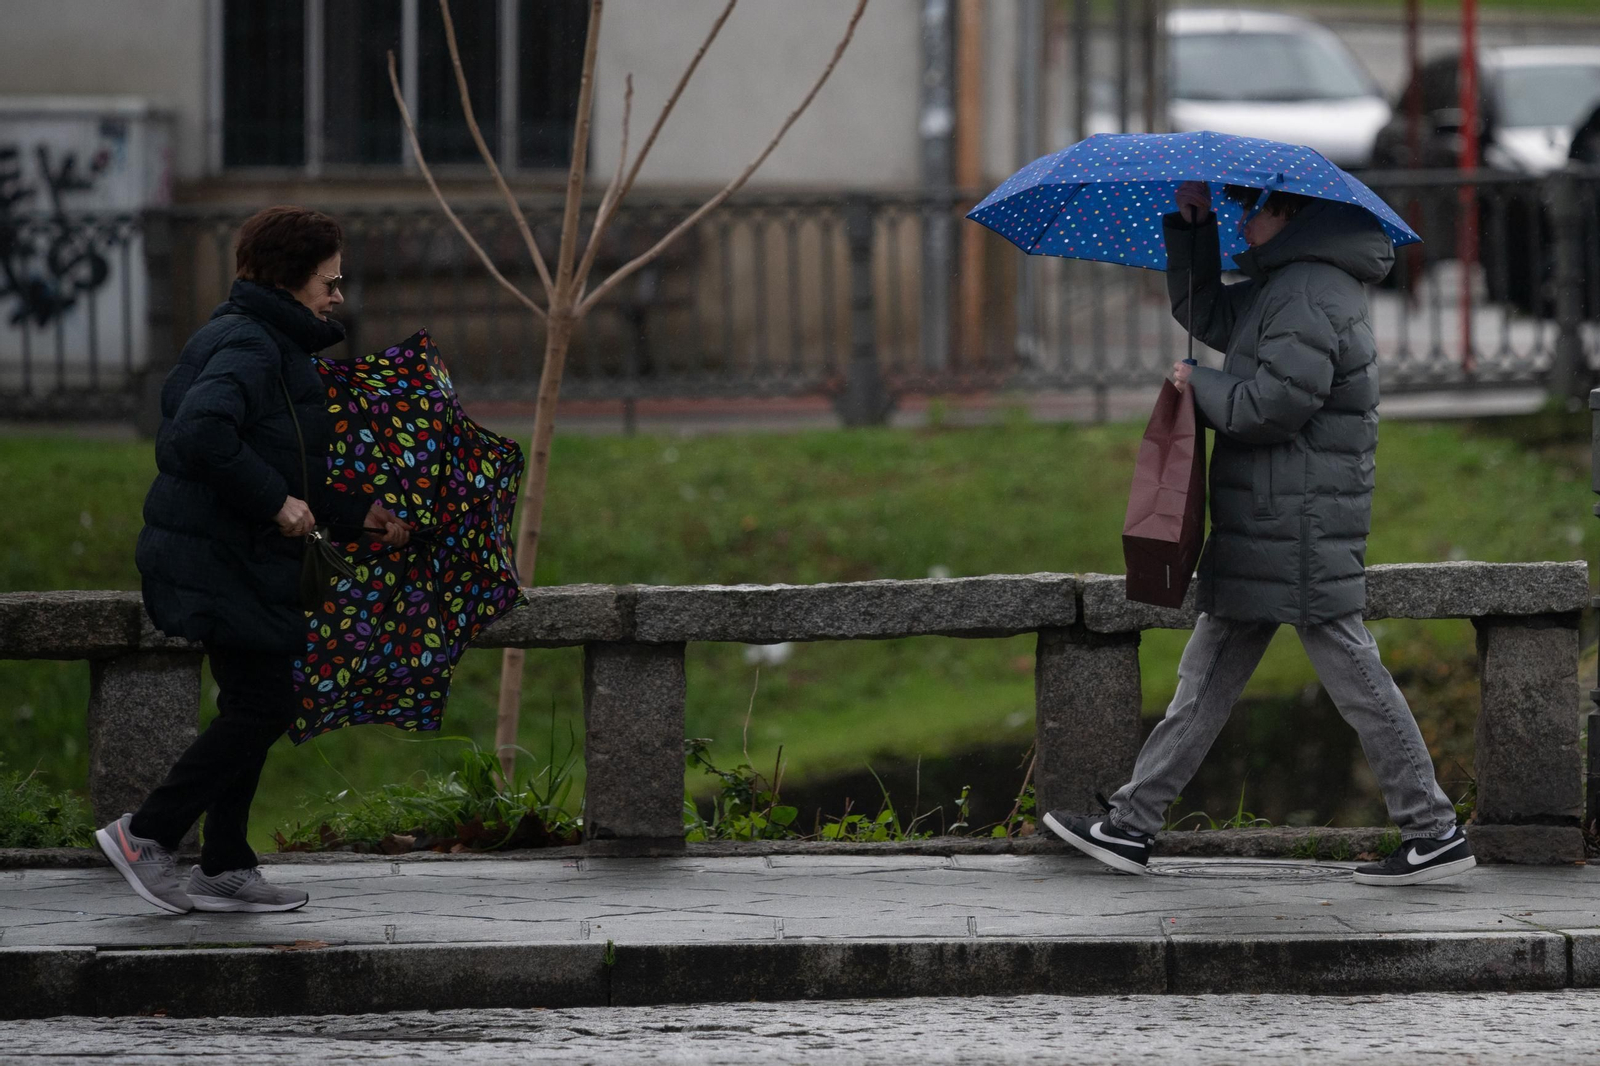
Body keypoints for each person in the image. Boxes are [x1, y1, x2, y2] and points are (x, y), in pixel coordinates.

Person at [1043, 181, 1475, 887]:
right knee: (1205, 679)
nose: (1248, 217)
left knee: (1354, 677)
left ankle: (1433, 830)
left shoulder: (1310, 293)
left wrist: (1196, 384)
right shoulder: (1289, 287)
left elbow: (1270, 407)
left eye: (1258, 208)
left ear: (1298, 218)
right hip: (1270, 521)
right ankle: (1131, 825)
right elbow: (1207, 310)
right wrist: (1195, 228)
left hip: (1296, 525)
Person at [95, 206, 412, 914]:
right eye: (328, 281)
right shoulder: (250, 345)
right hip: (222, 560)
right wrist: (276, 504)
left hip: (236, 559)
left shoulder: (270, 344)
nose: (337, 295)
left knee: (254, 701)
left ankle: (224, 863)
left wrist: (355, 511)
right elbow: (200, 433)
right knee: (265, 704)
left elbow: (278, 455)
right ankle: (147, 834)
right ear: (290, 279)